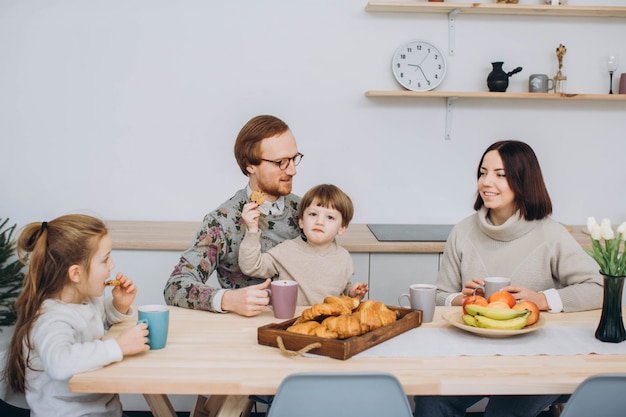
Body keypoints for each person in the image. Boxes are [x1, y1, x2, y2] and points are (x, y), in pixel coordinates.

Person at [413, 140, 603, 417]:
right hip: (472, 353)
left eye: (501, 174)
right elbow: (441, 294)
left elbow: (599, 286)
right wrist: (460, 299)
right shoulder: (463, 231)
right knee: (431, 403)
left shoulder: (550, 234)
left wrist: (542, 300)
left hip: (539, 358)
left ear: (524, 180)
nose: (487, 182)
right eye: (482, 172)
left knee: (504, 412)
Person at [2, 214, 149, 417]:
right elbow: (59, 363)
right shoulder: (51, 318)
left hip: (103, 411)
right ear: (76, 274)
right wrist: (119, 346)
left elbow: (92, 327)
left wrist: (118, 306)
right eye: (105, 259)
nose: (112, 266)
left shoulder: (86, 300)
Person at [164, 115, 304, 317]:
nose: (293, 170)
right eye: (281, 162)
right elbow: (175, 286)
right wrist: (229, 299)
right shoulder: (222, 222)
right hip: (243, 334)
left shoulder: (309, 212)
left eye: (294, 158)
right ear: (250, 166)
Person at [239, 183, 368, 305]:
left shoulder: (343, 257)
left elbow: (341, 287)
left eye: (330, 217)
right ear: (301, 221)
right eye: (313, 214)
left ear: (342, 228)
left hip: (328, 322)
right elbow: (251, 266)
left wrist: (351, 293)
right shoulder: (286, 251)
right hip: (291, 321)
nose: (319, 221)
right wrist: (252, 230)